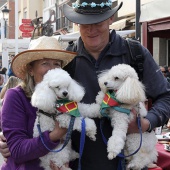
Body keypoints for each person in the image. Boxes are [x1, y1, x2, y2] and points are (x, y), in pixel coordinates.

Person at [61, 0, 170, 169]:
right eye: (85, 23)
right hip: (79, 163)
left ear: (110, 19)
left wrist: (147, 123)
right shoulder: (65, 60)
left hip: (129, 163)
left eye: (97, 22)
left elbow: (166, 96)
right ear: (77, 23)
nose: (91, 30)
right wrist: (11, 137)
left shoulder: (135, 53)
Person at [0, 36, 77, 170]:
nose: (52, 69)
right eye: (45, 63)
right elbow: (17, 151)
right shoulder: (16, 97)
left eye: (56, 64)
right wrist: (55, 135)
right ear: (31, 69)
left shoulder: (67, 98)